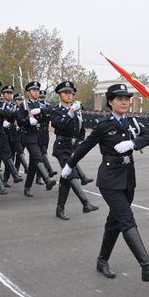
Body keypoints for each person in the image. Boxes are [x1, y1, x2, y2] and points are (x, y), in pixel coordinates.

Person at [62, 83, 149, 282]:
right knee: (127, 218)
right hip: (110, 179)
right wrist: (69, 165)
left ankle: (102, 260)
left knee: (115, 223)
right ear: (110, 102)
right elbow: (85, 146)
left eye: (127, 99)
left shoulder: (133, 122)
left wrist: (133, 143)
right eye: (120, 99)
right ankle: (147, 267)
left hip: (128, 177)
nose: (125, 103)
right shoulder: (104, 125)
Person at [51, 81, 98, 220]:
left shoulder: (77, 109)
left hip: (73, 147)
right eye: (66, 93)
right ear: (59, 95)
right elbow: (59, 125)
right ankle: (86, 203)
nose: (69, 95)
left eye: (71, 93)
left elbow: (80, 127)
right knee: (71, 175)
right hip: (62, 147)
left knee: (65, 180)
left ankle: (60, 209)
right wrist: (71, 112)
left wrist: (81, 139)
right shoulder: (56, 111)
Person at [16, 81, 57, 197]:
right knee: (38, 157)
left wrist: (40, 111)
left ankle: (27, 187)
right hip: (29, 136)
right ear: (28, 92)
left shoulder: (41, 105)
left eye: (37, 90)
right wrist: (27, 121)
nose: (36, 92)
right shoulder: (24, 105)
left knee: (34, 163)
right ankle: (47, 180)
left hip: (41, 136)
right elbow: (19, 120)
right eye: (33, 90)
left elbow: (50, 110)